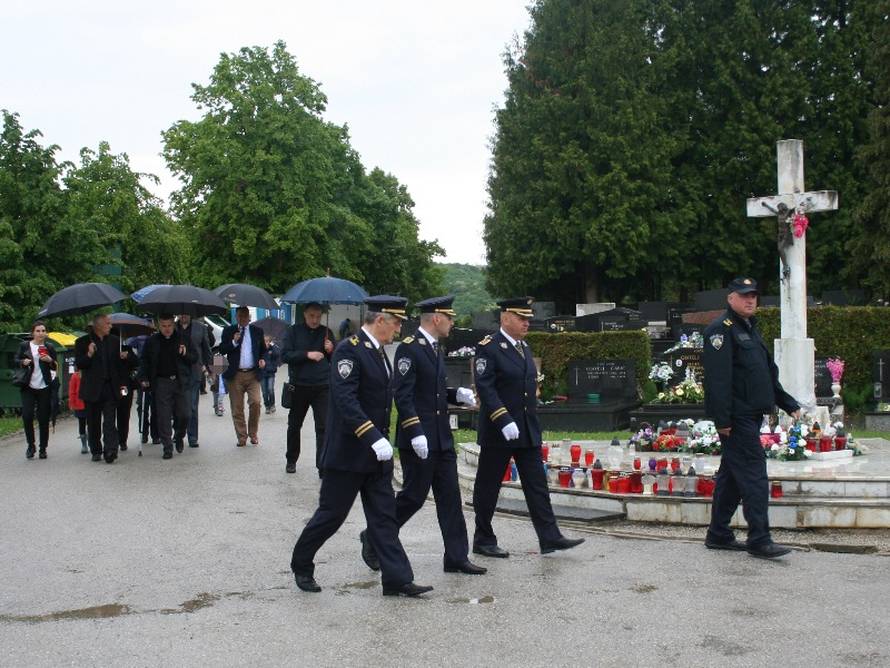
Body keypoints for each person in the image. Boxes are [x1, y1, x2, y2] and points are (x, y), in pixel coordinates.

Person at [291, 296, 433, 597]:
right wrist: (373, 437)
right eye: (395, 323)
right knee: (331, 515)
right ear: (379, 320)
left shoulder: (378, 352)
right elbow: (346, 401)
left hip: (375, 457)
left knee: (383, 517)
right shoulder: (349, 351)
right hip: (347, 455)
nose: (397, 330)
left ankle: (397, 578)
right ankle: (301, 562)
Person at [359, 296, 485, 576]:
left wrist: (457, 395)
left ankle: (456, 556)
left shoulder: (434, 348)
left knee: (450, 497)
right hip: (420, 441)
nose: (452, 323)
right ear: (437, 318)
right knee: (413, 497)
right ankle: (373, 536)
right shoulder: (409, 349)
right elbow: (403, 396)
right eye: (450, 318)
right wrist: (416, 432)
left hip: (441, 437)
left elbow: (433, 391)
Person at [471, 297, 585, 558]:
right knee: (488, 486)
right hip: (499, 431)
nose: (527, 323)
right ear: (505, 318)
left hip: (526, 428)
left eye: (528, 318)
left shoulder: (523, 347)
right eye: (521, 318)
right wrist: (502, 419)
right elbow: (485, 387)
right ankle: (483, 538)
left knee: (536, 484)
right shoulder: (489, 347)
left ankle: (549, 536)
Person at [703, 277, 801, 559]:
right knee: (755, 476)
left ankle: (718, 534)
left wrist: (786, 402)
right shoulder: (720, 332)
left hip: (751, 414)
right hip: (737, 418)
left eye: (754, 296)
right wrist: (723, 421)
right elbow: (718, 382)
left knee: (732, 477)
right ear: (730, 298)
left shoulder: (750, 330)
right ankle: (759, 539)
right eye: (744, 295)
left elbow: (767, 374)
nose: (750, 300)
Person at [280, 302, 334, 474]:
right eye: (312, 316)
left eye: (318, 316)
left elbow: (337, 360)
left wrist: (332, 349)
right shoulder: (293, 331)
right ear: (305, 314)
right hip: (299, 385)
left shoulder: (326, 332)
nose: (315, 320)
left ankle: (323, 464)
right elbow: (285, 355)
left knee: (323, 427)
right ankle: (291, 459)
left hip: (322, 386)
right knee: (294, 426)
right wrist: (307, 354)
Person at [138, 314, 198, 460]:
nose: (167, 329)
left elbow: (194, 357)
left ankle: (179, 434)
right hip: (161, 382)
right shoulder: (152, 341)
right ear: (159, 326)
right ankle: (167, 447)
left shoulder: (183, 338)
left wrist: (185, 353)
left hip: (180, 381)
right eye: (164, 326)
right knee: (163, 416)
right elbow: (144, 360)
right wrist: (144, 378)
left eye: (169, 325)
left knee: (185, 414)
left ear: (173, 324)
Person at [75, 313, 128, 463]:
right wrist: (89, 354)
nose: (111, 326)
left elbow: (120, 366)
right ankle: (96, 449)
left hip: (110, 387)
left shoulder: (114, 341)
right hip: (92, 388)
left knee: (110, 421)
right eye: (108, 323)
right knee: (93, 421)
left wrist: (125, 358)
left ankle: (110, 450)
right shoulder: (82, 342)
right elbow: (80, 364)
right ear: (98, 325)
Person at [219, 306, 268, 447]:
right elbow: (221, 349)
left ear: (250, 317)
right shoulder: (229, 331)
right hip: (235, 374)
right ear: (237, 317)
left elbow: (264, 351)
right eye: (240, 316)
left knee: (256, 402)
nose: (243, 319)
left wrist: (263, 359)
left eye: (245, 316)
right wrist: (233, 342)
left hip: (253, 373)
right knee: (237, 408)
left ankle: (253, 433)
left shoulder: (257, 331)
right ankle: (242, 436)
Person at [16, 321, 58, 460]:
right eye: (38, 331)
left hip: (44, 386)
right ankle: (31, 445)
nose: (41, 333)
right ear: (33, 332)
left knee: (43, 418)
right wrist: (23, 362)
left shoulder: (49, 346)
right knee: (27, 416)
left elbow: (55, 366)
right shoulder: (25, 346)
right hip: (28, 385)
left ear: (46, 333)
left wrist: (50, 360)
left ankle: (42, 448)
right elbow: (16, 359)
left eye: (43, 331)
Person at [177, 314, 213, 448]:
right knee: (179, 407)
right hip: (177, 372)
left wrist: (210, 370)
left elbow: (207, 349)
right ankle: (178, 434)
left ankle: (192, 437)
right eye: (181, 313)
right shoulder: (172, 327)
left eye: (185, 313)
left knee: (192, 406)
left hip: (194, 371)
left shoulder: (200, 328)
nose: (183, 316)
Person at [68, 369, 89, 454]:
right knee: (82, 424)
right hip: (79, 404)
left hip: (90, 403)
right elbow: (72, 391)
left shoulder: (90, 374)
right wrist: (72, 403)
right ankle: (84, 444)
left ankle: (91, 440)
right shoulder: (75, 376)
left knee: (92, 423)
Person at [261, 335, 281, 414]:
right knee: (264, 392)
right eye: (264, 341)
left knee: (270, 389)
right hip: (262, 373)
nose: (266, 343)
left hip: (271, 373)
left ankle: (272, 405)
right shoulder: (260, 350)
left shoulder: (273, 349)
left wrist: (273, 346)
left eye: (267, 341)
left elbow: (278, 353)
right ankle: (267, 406)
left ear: (270, 342)